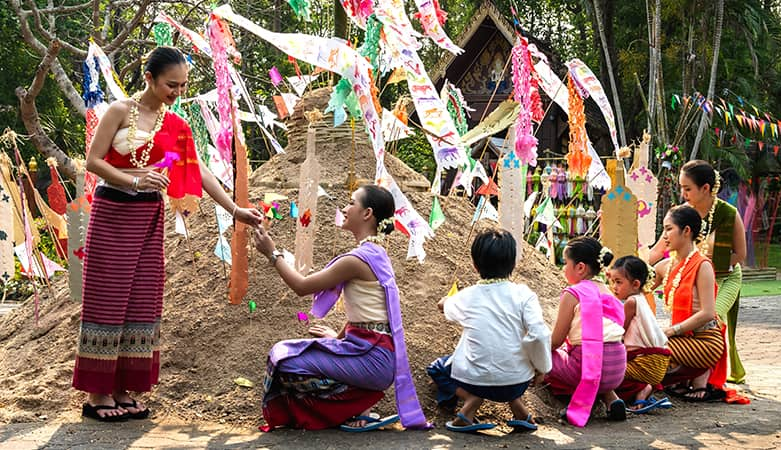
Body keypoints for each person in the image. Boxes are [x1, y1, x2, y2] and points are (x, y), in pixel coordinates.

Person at [73, 46, 263, 422]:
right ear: (149, 78)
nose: (176, 92)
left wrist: (235, 210)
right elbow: (93, 161)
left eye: (182, 86)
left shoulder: (176, 126)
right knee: (109, 298)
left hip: (148, 216)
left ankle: (125, 389)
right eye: (170, 85)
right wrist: (134, 178)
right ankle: (97, 394)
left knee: (142, 299)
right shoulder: (118, 111)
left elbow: (202, 172)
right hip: (112, 212)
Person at [252, 184, 430, 432]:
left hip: (372, 359)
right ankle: (358, 401)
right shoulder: (376, 254)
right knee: (289, 355)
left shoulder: (355, 260)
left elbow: (302, 287)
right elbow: (370, 316)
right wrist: (335, 339)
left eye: (351, 203)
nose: (345, 209)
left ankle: (356, 405)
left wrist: (272, 253)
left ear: (367, 213)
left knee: (285, 362)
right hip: (374, 354)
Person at [432, 229, 552, 433]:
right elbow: (539, 333)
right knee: (511, 362)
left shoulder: (466, 296)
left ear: (475, 265)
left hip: (475, 383)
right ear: (513, 264)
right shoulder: (524, 295)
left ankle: (470, 402)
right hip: (518, 382)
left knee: (437, 368)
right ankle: (519, 410)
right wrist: (541, 367)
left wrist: (446, 300)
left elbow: (443, 306)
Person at [650, 160, 747, 383]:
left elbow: (740, 255)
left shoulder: (728, 214)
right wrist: (634, 266)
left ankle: (709, 378)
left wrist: (704, 268)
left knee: (714, 318)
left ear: (705, 188)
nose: (683, 194)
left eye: (687, 189)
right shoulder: (682, 214)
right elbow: (660, 247)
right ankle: (689, 368)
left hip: (726, 275)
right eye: (681, 188)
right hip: (692, 272)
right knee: (687, 313)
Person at [547, 237, 627, 426]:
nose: (562, 269)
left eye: (565, 263)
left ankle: (580, 402)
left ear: (580, 267)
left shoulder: (572, 293)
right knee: (595, 351)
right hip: (617, 369)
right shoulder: (610, 293)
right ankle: (611, 399)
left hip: (586, 367)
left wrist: (535, 352)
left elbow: (556, 341)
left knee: (545, 357)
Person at [653, 205, 726, 402]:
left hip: (706, 341)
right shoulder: (665, 266)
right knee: (645, 348)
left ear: (686, 231)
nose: (664, 235)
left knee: (652, 352)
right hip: (682, 338)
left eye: (669, 229)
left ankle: (695, 374)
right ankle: (686, 376)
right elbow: (637, 285)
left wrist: (672, 330)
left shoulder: (703, 265)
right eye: (663, 229)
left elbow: (708, 312)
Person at [608, 256, 672, 413]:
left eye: (619, 282)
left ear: (635, 284)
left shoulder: (631, 302)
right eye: (613, 282)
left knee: (608, 375)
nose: (614, 287)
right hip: (660, 363)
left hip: (646, 363)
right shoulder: (642, 299)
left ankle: (642, 387)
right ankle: (646, 387)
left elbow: (620, 332)